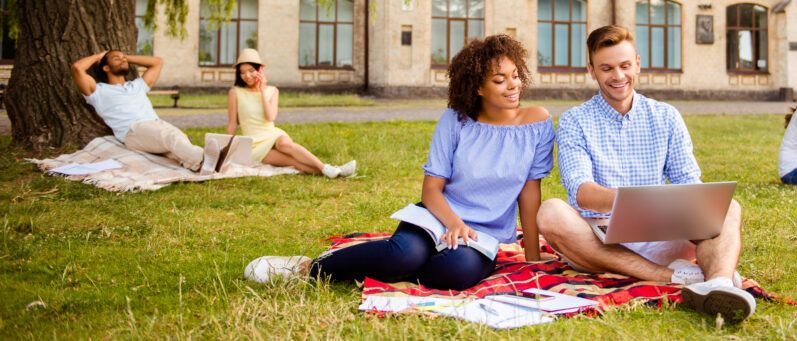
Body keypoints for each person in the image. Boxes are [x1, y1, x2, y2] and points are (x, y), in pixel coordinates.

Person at [243, 35, 555, 290]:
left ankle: (380, 263)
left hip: (481, 234)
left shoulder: (537, 123)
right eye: (500, 80)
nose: (513, 85)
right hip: (438, 215)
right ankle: (309, 267)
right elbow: (432, 190)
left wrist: (531, 254)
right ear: (477, 87)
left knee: (454, 275)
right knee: (404, 256)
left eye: (515, 76)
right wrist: (453, 223)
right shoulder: (455, 120)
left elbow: (529, 192)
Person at [535, 25, 754, 322]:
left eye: (625, 66)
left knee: (727, 207)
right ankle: (674, 277)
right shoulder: (575, 120)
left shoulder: (666, 116)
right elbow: (581, 192)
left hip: (664, 232)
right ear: (592, 70)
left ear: (637, 63)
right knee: (550, 212)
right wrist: (640, 202)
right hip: (601, 240)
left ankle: (717, 285)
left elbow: (689, 183)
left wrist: (671, 207)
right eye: (607, 68)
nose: (618, 76)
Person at [71, 50, 217, 173]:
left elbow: (157, 62)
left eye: (124, 58)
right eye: (116, 58)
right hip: (133, 131)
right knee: (171, 137)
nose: (122, 60)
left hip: (155, 124)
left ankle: (197, 165)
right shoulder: (98, 91)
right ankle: (208, 159)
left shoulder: (137, 85)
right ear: (106, 68)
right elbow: (77, 68)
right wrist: (99, 56)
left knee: (176, 145)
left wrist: (124, 57)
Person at [228, 49, 355, 178]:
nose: (247, 76)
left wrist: (262, 91)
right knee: (292, 162)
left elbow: (270, 117)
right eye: (242, 72)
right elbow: (232, 124)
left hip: (272, 134)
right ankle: (336, 171)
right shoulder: (235, 93)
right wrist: (226, 149)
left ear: (260, 70)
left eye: (251, 71)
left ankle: (327, 168)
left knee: (285, 144)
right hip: (254, 144)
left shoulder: (272, 91)